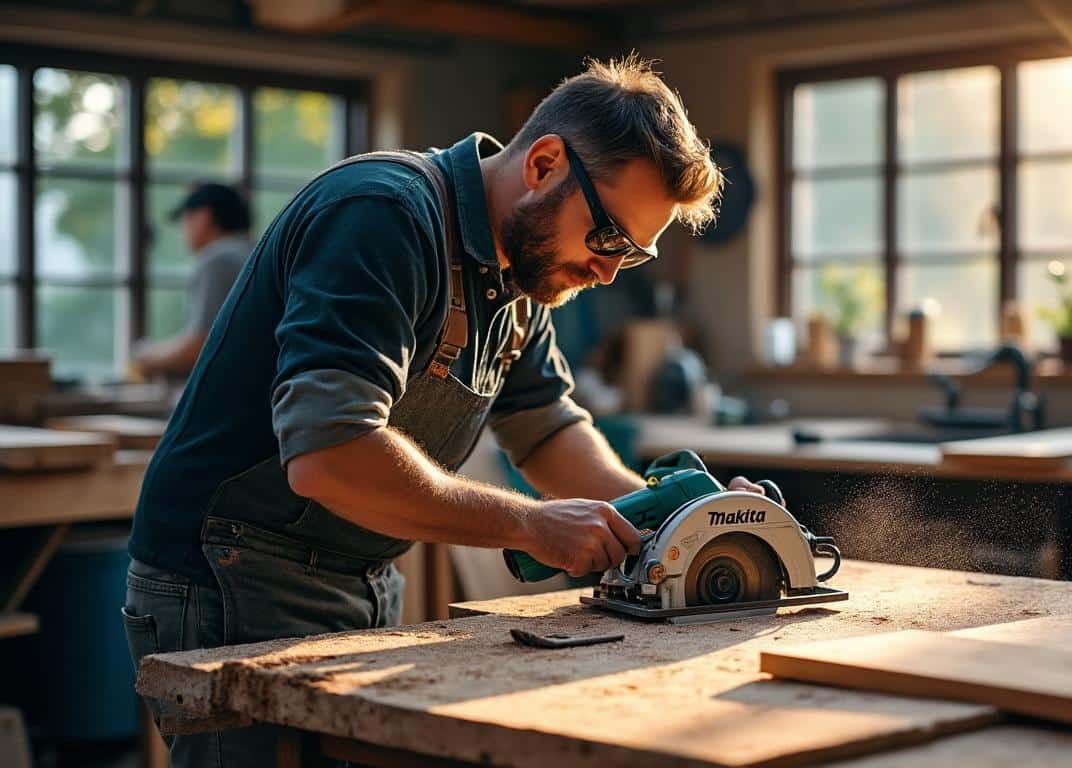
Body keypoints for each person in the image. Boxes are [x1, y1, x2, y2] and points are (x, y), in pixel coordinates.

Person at [123, 56, 762, 766]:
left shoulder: (521, 270)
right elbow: (329, 453)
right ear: (545, 165)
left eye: (632, 255)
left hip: (354, 573)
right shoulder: (385, 215)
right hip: (227, 572)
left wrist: (676, 523)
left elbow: (547, 429)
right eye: (607, 237)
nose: (608, 270)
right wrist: (528, 523)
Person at [132, 182, 252, 379]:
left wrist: (149, 356)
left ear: (204, 217)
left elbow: (199, 347)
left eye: (185, 219)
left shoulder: (217, 259)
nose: (183, 230)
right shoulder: (257, 252)